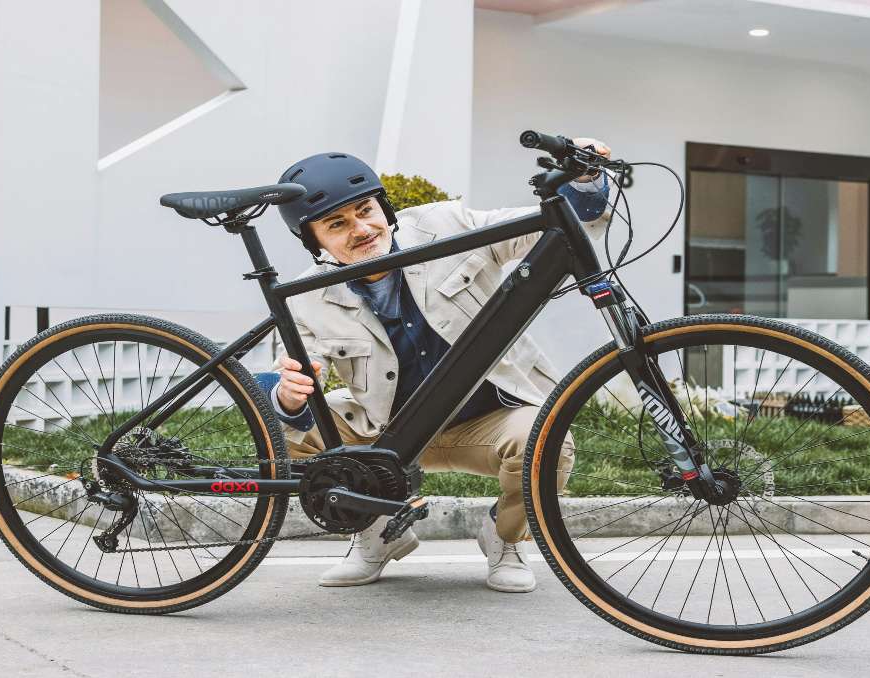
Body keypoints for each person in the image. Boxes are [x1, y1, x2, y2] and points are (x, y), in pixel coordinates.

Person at [252, 139, 612, 592]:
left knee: (547, 441)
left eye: (365, 210)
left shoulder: (444, 225)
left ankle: (504, 537)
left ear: (384, 207)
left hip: (489, 420)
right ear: (314, 241)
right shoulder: (307, 296)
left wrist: (584, 177)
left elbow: (547, 225)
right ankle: (377, 534)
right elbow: (286, 381)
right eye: (336, 224)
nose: (361, 229)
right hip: (388, 431)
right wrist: (288, 396)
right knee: (286, 436)